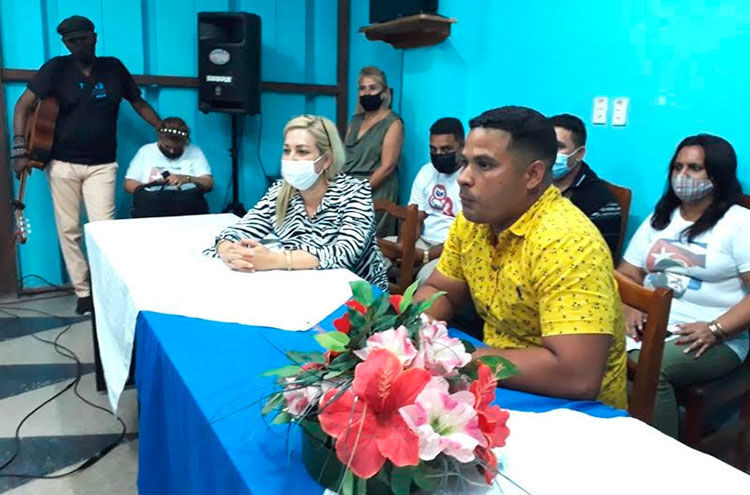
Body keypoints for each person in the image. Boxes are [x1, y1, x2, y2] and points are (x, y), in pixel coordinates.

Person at [415, 106, 627, 409]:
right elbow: (439, 290)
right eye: (466, 163)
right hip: (497, 378)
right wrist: (418, 328)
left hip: (568, 411)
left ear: (533, 175)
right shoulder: (475, 221)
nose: (463, 178)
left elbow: (576, 378)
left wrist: (458, 357)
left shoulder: (568, 242)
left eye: (484, 165)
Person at [10, 15, 162, 315]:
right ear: (66, 43)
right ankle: (83, 292)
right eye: (72, 41)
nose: (80, 44)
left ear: (95, 36)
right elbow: (23, 105)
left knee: (103, 230)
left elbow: (138, 102)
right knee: (69, 230)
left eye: (85, 38)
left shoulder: (114, 68)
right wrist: (19, 150)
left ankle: (105, 288)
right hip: (61, 163)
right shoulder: (55, 69)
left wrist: (161, 126)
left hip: (102, 165)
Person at [618, 134, 750, 437]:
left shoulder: (740, 223)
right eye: (677, 167)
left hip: (715, 335)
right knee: (597, 348)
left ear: (718, 174)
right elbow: (626, 274)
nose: (683, 176)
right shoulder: (662, 217)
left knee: (652, 369)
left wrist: (717, 329)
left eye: (694, 168)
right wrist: (627, 307)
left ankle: (663, 465)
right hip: (653, 324)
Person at [204, 115, 388, 290]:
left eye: (302, 151)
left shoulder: (355, 192)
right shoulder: (280, 191)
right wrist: (228, 251)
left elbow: (345, 253)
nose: (291, 159)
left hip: (359, 299)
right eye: (286, 150)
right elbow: (240, 229)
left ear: (326, 161)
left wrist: (274, 260)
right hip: (303, 287)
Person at [549, 113, 622, 259]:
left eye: (558, 147)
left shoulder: (602, 202)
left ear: (579, 153)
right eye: (544, 145)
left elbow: (598, 259)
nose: (549, 153)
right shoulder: (528, 185)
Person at [343, 66, 404, 236]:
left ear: (384, 92)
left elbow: (387, 167)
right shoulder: (355, 121)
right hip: (348, 189)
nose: (367, 93)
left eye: (372, 88)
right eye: (362, 88)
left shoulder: (393, 123)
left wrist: (358, 192)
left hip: (376, 190)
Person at [407, 117, 463, 284]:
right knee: (375, 254)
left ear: (462, 146)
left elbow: (465, 237)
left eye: (446, 149)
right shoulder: (426, 172)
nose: (439, 155)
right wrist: (405, 248)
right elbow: (415, 217)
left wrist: (426, 256)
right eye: (433, 149)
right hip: (423, 241)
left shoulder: (469, 178)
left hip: (451, 249)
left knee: (425, 279)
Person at [124, 117, 213, 193]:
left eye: (177, 147)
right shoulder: (146, 151)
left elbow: (208, 183)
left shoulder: (194, 151)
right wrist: (148, 191)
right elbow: (128, 184)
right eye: (167, 147)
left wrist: (185, 179)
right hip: (151, 204)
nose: (172, 151)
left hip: (186, 205)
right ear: (159, 138)